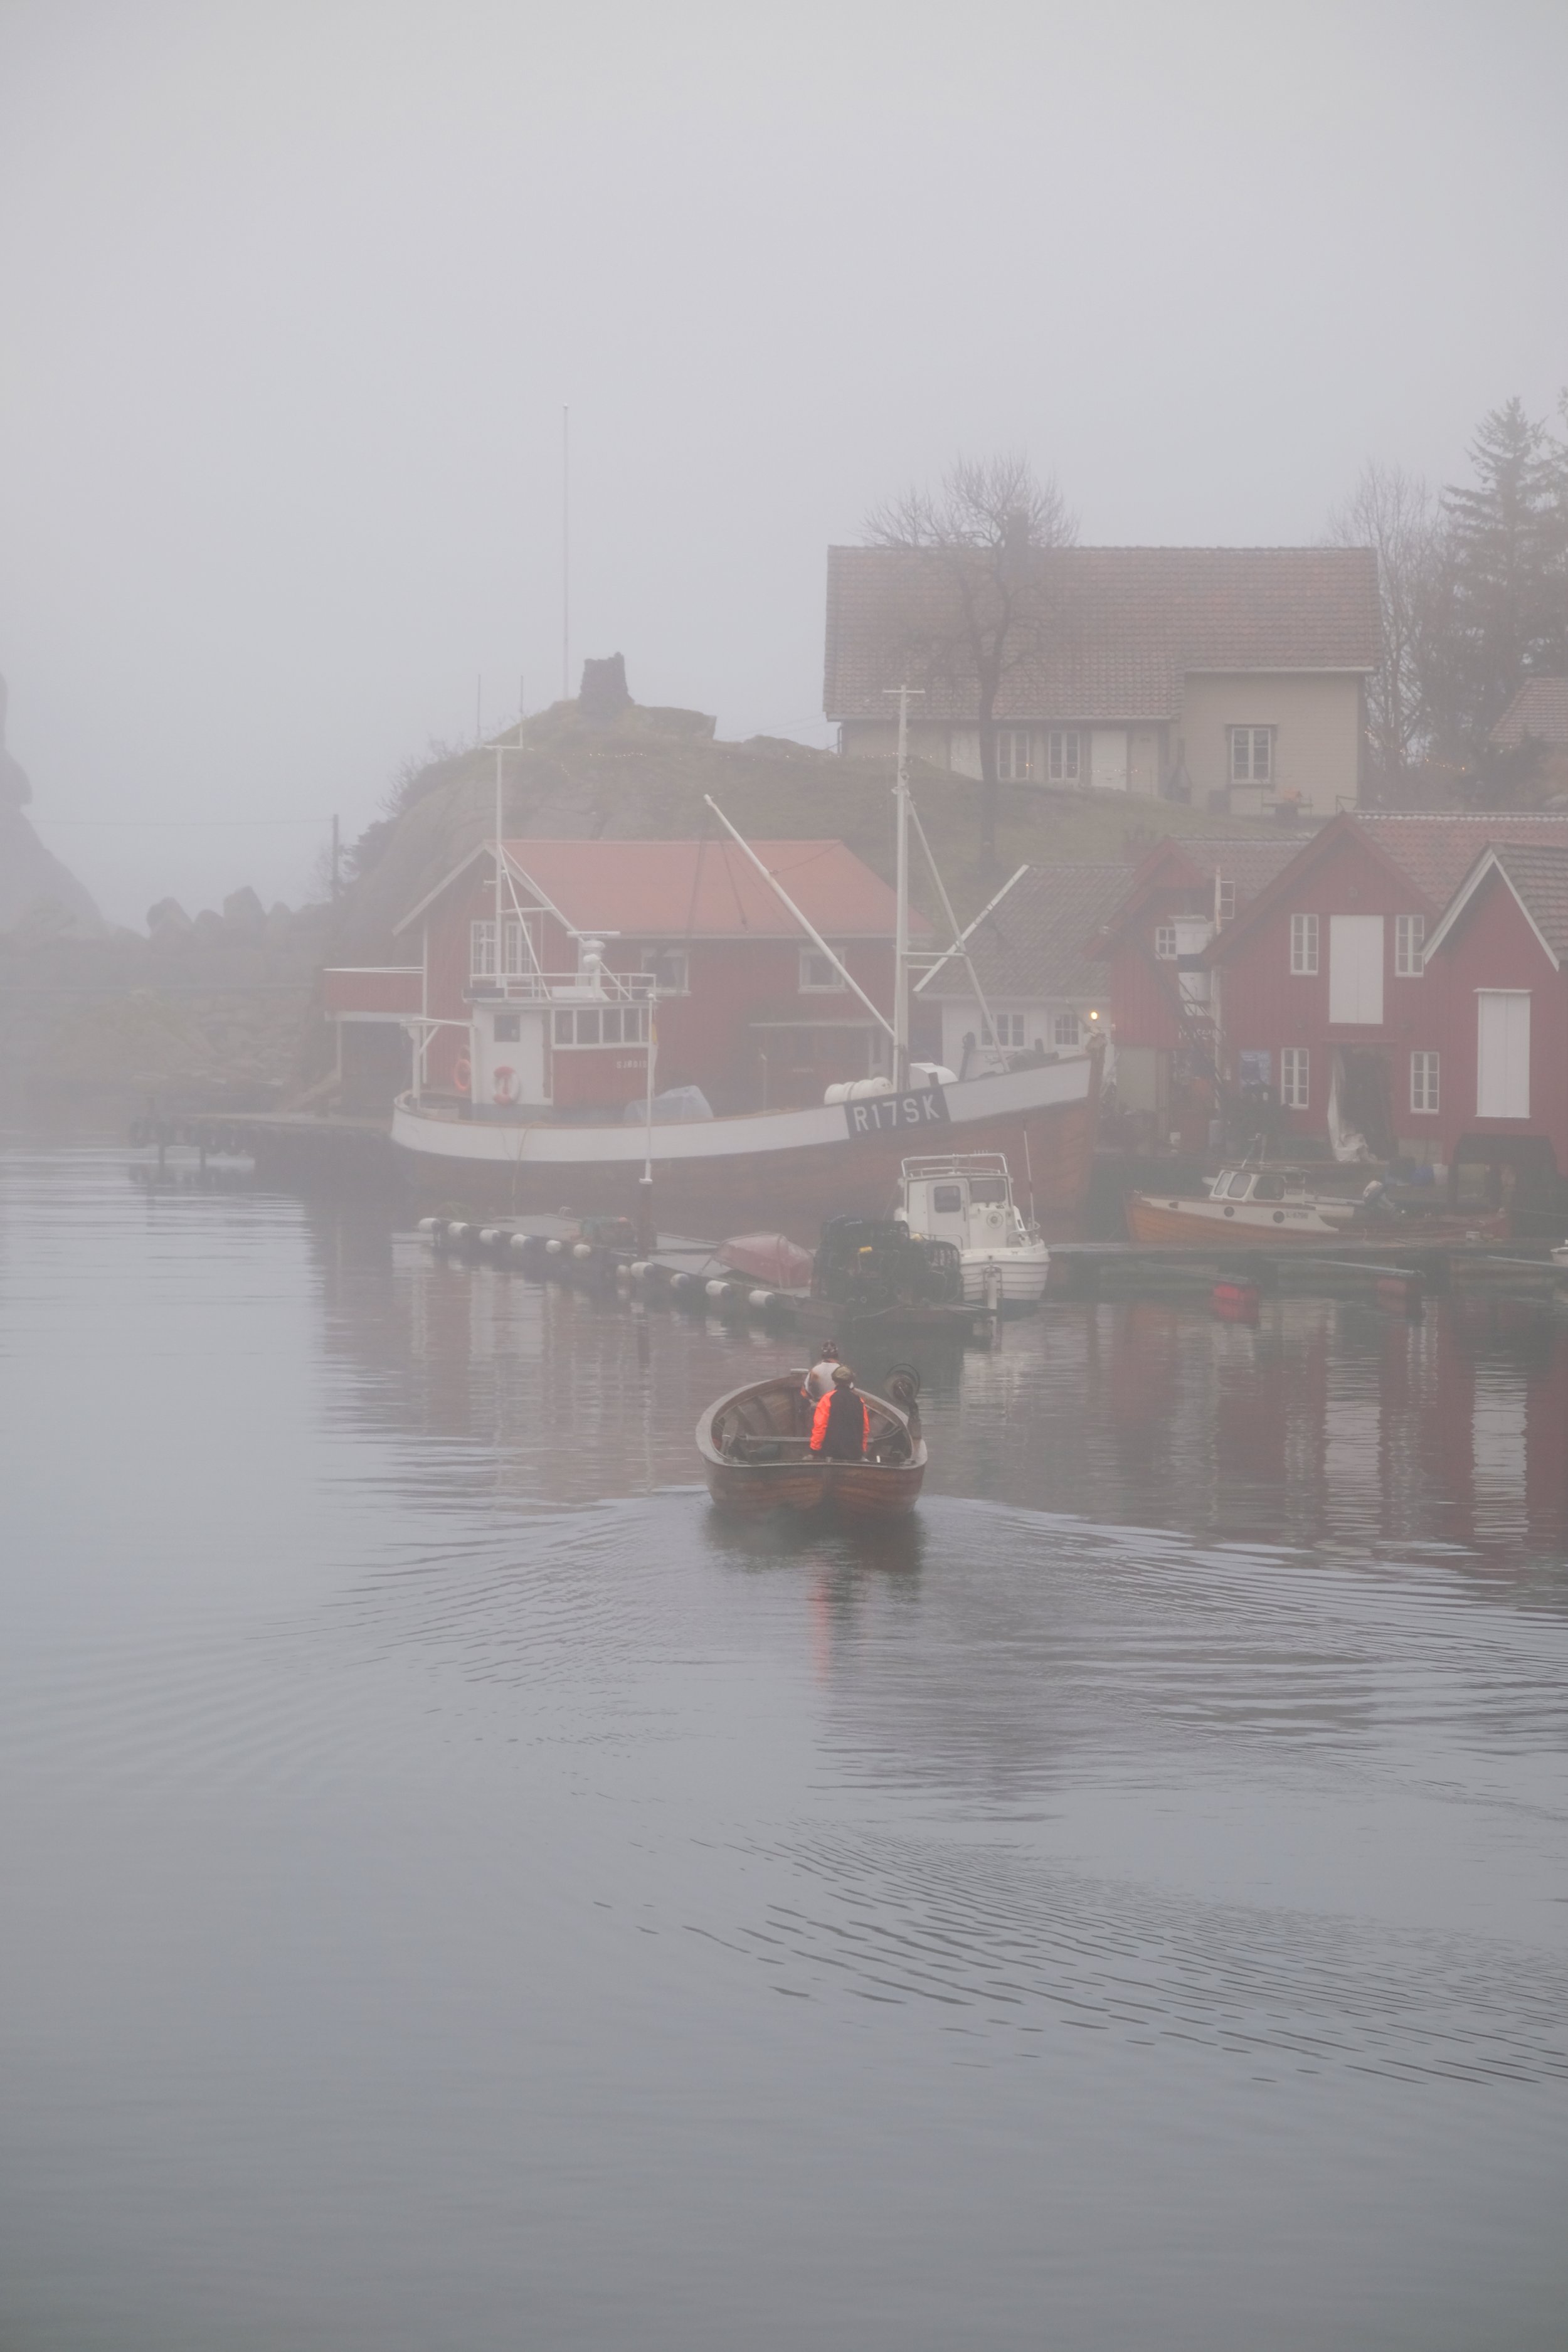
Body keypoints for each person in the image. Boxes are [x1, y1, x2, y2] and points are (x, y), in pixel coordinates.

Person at [810, 1363, 871, 1461]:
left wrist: (814, 1450)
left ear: (835, 1381)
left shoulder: (827, 1399)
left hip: (831, 1454)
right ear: (850, 1382)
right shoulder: (859, 1401)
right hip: (854, 1454)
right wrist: (861, 1451)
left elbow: (820, 1426)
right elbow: (865, 1429)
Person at [800, 1341, 840, 1407]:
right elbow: (851, 1389)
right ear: (837, 1355)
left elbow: (805, 1392)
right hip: (837, 1406)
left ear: (822, 1355)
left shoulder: (815, 1370)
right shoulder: (842, 1370)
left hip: (819, 1407)